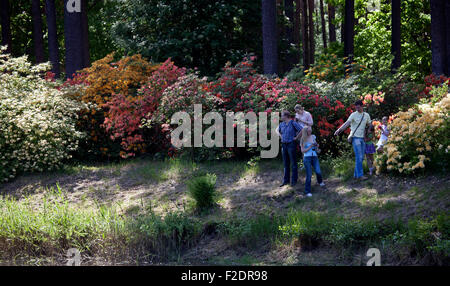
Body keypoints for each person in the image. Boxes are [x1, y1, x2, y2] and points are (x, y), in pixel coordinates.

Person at [334, 100, 371, 180]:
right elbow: (347, 123)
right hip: (355, 138)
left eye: (358, 107)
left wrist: (370, 131)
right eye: (356, 107)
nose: (357, 109)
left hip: (363, 138)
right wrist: (339, 130)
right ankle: (360, 176)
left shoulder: (366, 115)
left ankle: (355, 175)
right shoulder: (353, 115)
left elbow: (369, 125)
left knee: (361, 158)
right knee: (359, 156)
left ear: (362, 106)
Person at [276, 110, 303, 187]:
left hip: (291, 144)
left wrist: (296, 137)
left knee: (294, 163)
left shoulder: (293, 123)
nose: (281, 117)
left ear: (286, 116)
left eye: (282, 115)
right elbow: (277, 130)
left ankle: (294, 181)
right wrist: (280, 136)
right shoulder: (282, 124)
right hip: (284, 145)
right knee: (286, 164)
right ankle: (286, 181)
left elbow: (301, 130)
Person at [300, 126, 325, 197]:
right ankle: (307, 191)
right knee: (309, 174)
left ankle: (320, 181)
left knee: (318, 171)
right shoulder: (302, 139)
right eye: (309, 131)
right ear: (305, 131)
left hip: (314, 156)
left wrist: (317, 146)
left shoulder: (313, 137)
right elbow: (302, 151)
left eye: (311, 131)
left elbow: (316, 146)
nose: (310, 132)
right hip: (307, 158)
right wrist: (310, 146)